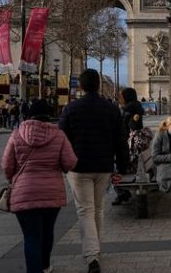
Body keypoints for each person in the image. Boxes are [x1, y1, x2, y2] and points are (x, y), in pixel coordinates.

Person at [58, 69, 128, 273]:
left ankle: (91, 256)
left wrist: (63, 164)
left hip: (78, 167)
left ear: (80, 86)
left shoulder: (71, 108)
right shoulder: (111, 108)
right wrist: (121, 167)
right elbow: (120, 140)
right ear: (98, 85)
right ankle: (95, 249)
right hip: (103, 166)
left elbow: (61, 139)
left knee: (85, 210)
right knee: (97, 209)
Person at [1, 99, 78, 273]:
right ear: (49, 115)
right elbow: (70, 162)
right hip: (52, 193)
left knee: (31, 237)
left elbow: (7, 166)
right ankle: (45, 265)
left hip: (24, 192)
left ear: (29, 114)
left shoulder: (16, 134)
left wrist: (11, 178)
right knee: (47, 232)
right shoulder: (59, 135)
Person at [112, 87, 145, 206]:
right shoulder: (137, 106)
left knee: (112, 168)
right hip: (134, 149)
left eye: (122, 96)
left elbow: (124, 128)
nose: (120, 98)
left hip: (129, 147)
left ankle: (122, 193)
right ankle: (122, 193)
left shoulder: (128, 110)